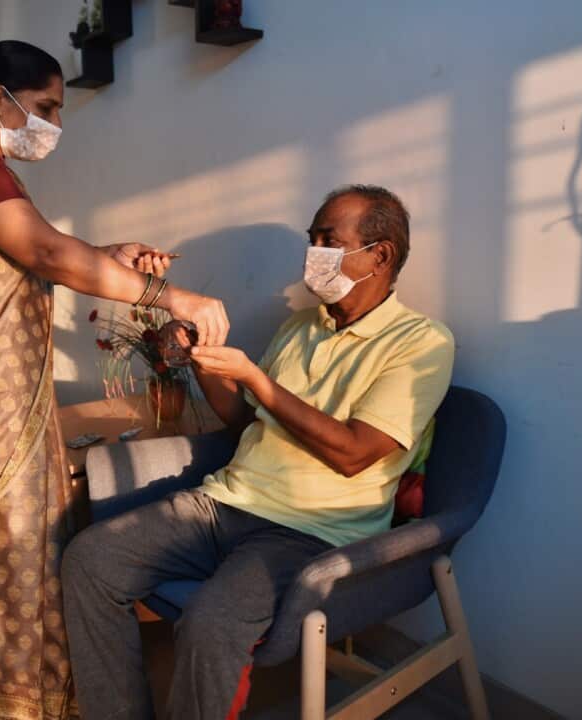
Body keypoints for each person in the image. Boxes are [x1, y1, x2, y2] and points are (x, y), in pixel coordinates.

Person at [0, 40, 229, 720]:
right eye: (45, 107)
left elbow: (24, 254)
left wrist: (105, 255)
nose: (54, 126)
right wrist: (170, 295)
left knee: (13, 546)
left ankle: (15, 697)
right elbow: (42, 252)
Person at [61, 186, 455, 720]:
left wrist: (256, 378)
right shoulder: (300, 328)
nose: (311, 255)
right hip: (225, 502)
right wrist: (202, 360)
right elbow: (245, 421)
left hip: (311, 532)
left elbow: (356, 454)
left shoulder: (421, 343)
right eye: (311, 240)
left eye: (327, 241)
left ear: (379, 255)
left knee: (211, 620)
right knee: (89, 560)